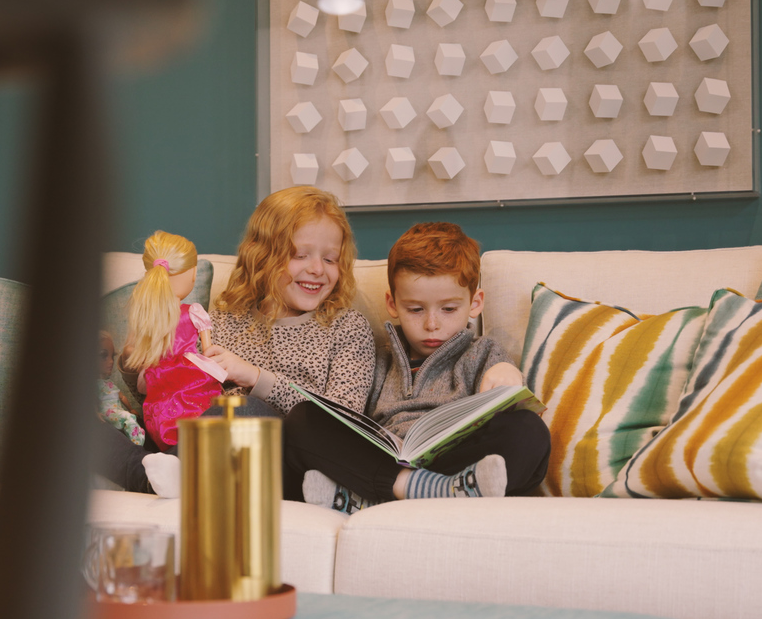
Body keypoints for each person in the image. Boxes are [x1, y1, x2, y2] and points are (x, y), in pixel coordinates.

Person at [282, 222, 551, 513]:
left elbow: (506, 387)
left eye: (448, 309)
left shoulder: (483, 351)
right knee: (302, 419)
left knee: (529, 431)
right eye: (415, 309)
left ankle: (371, 497)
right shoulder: (377, 357)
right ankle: (423, 489)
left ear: (475, 303)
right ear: (393, 303)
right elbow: (349, 419)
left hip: (456, 460)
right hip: (383, 461)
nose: (431, 324)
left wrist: (507, 373)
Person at [127, 185, 376, 496]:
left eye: (331, 259)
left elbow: (345, 421)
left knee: (243, 411)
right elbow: (168, 394)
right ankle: (165, 475)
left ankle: (164, 478)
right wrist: (138, 358)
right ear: (262, 256)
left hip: (283, 462)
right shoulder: (225, 317)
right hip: (204, 443)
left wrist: (256, 378)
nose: (317, 269)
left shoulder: (347, 328)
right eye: (300, 255)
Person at [122, 231, 225, 449]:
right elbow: (208, 351)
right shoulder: (194, 311)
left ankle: (171, 451)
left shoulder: (148, 315)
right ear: (193, 273)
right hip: (191, 372)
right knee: (199, 407)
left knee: (162, 410)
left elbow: (132, 351)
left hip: (159, 374)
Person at [96, 330, 146, 445]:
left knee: (131, 418)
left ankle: (137, 441)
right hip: (106, 413)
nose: (111, 361)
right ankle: (138, 445)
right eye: (103, 355)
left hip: (117, 412)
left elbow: (122, 397)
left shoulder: (109, 384)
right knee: (128, 418)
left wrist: (131, 408)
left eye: (112, 356)